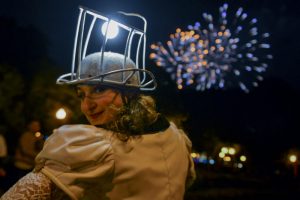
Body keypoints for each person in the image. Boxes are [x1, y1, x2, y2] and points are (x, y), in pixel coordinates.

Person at [1, 7, 195, 200]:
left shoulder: (99, 148)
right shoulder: (177, 138)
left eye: (99, 90)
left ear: (130, 92)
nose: (86, 106)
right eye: (81, 94)